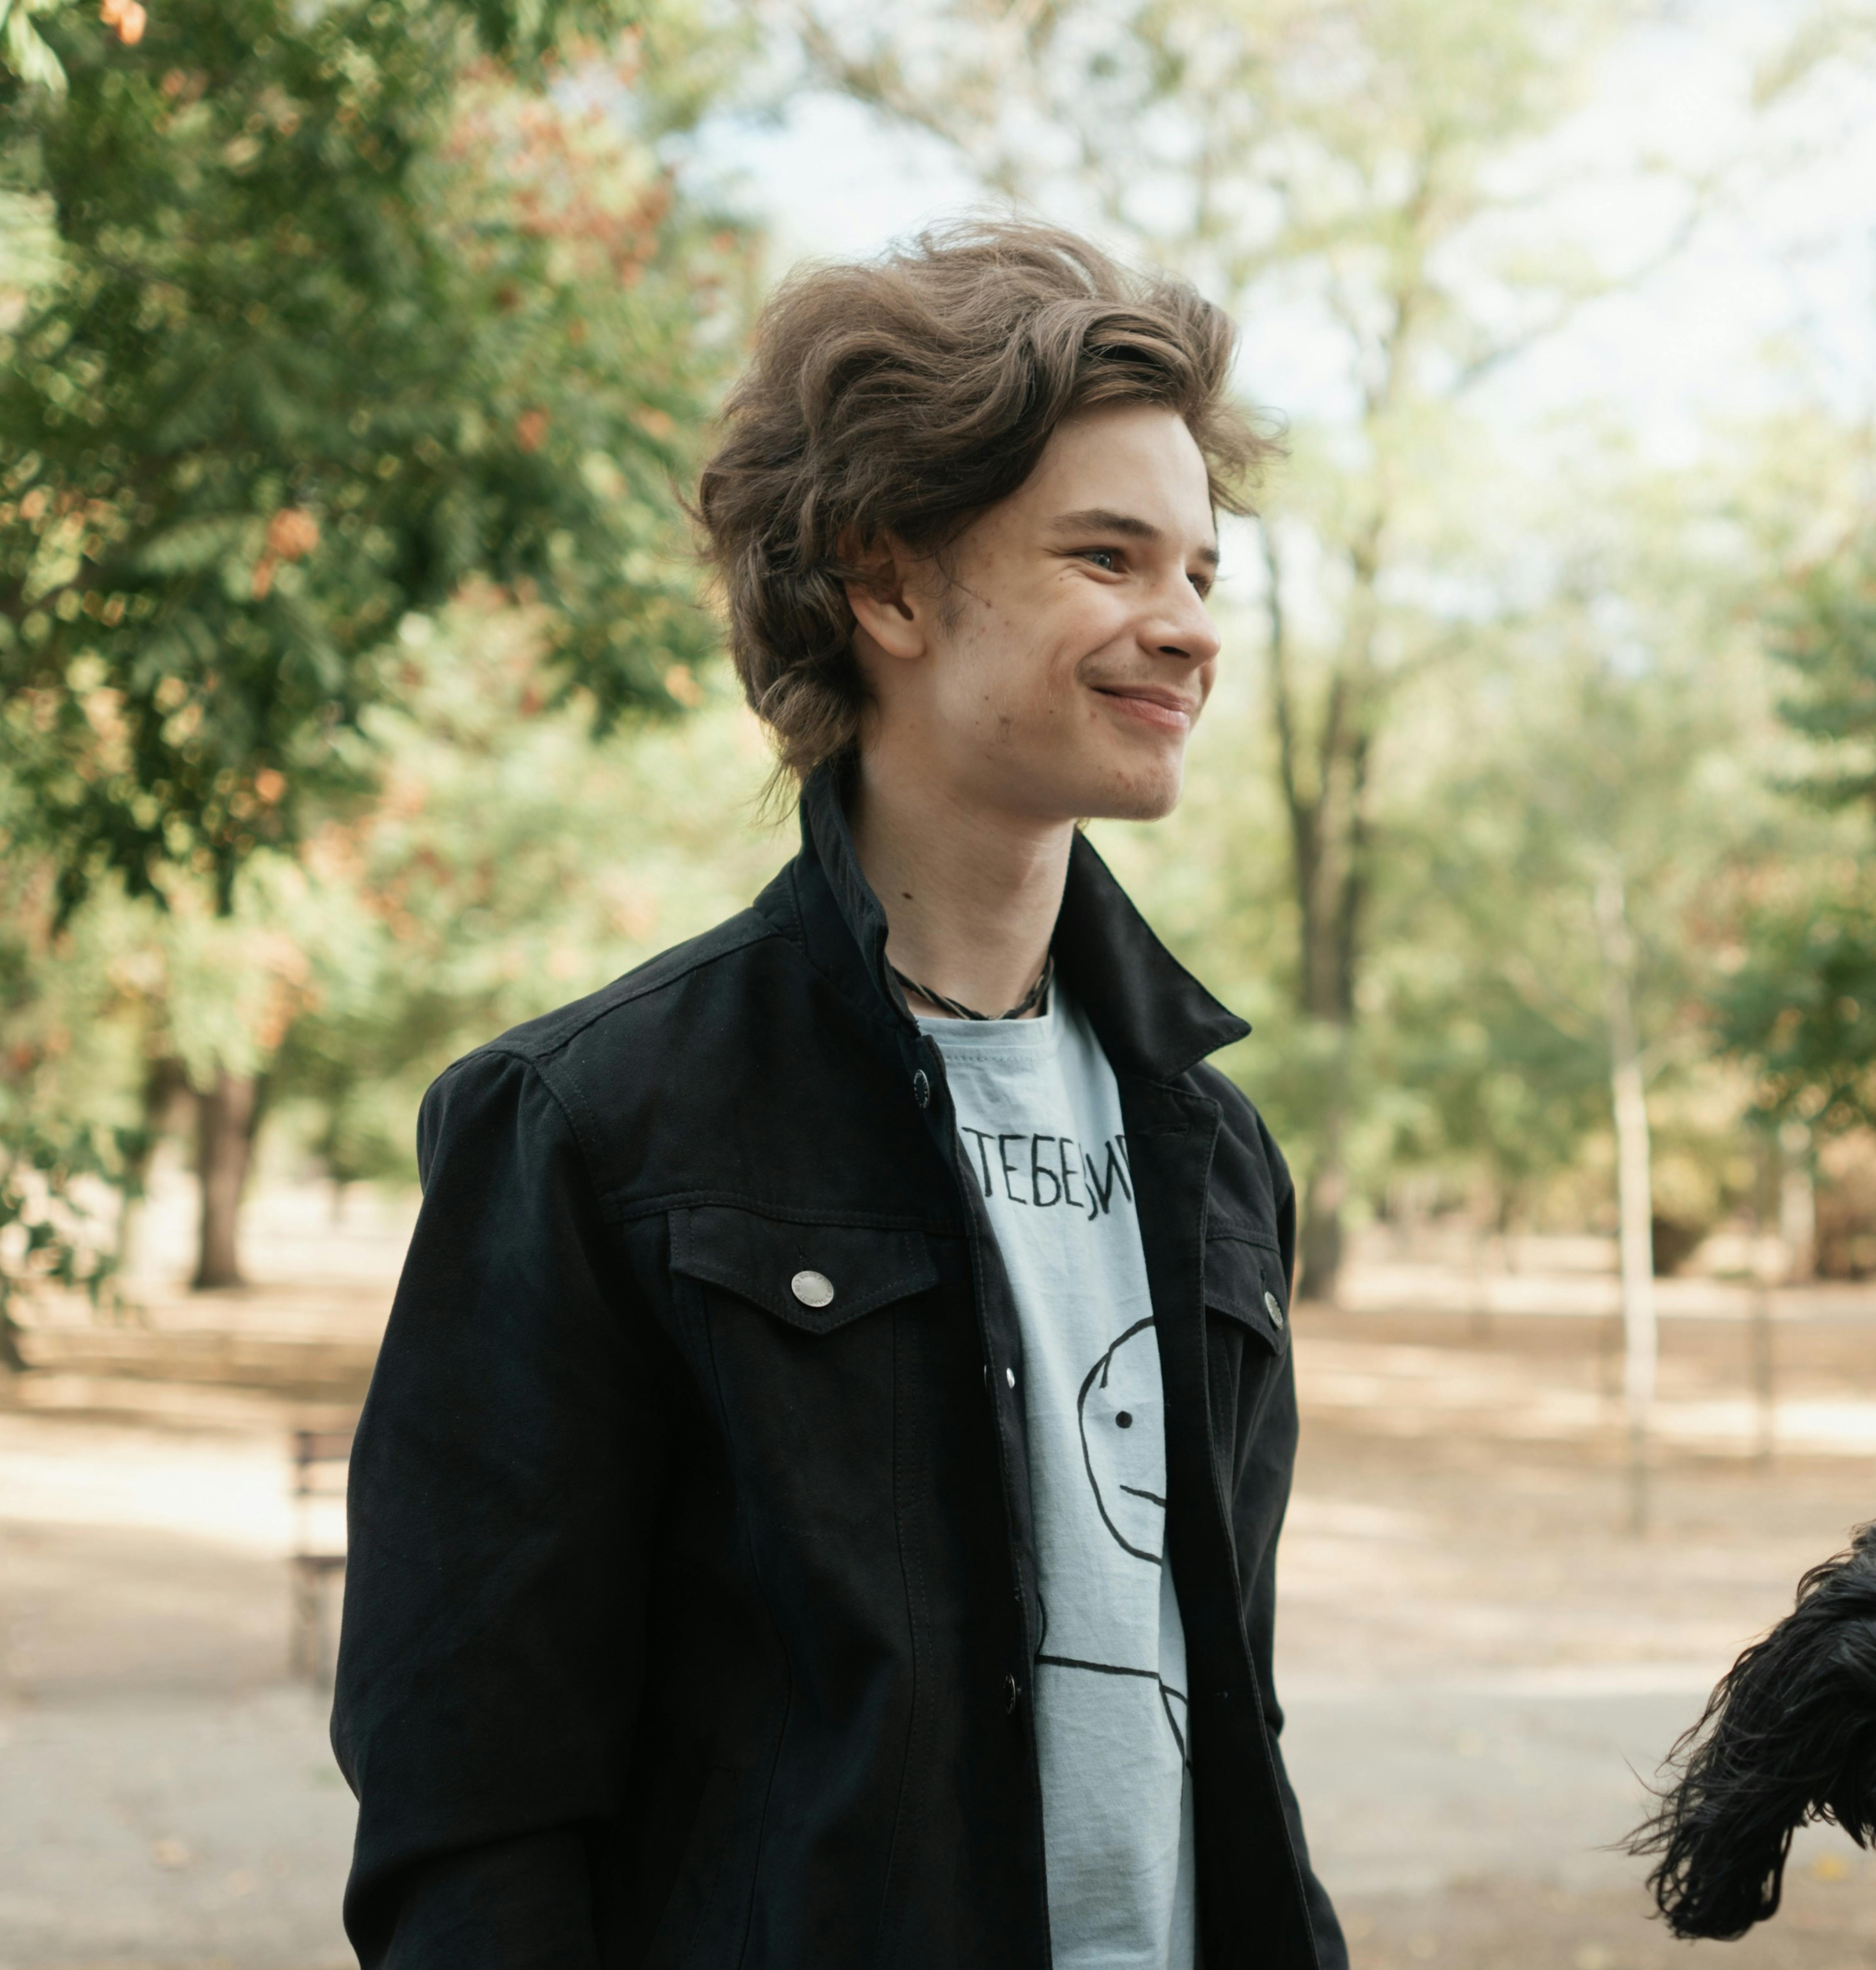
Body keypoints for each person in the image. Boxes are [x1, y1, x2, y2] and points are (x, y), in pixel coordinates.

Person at [331, 219, 1344, 1970]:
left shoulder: (1216, 1148)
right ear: (884, 587)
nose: (1181, 629)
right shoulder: (586, 1129)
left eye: (1198, 574)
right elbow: (472, 1814)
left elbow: (1220, 1712)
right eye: (1107, 557)